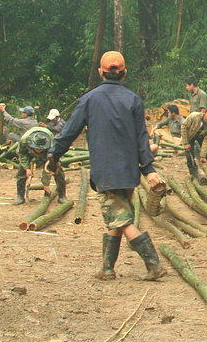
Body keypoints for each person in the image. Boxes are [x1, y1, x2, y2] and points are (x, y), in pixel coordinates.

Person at [48, 51, 166, 281]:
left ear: (100, 72)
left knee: (121, 219)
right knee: (118, 216)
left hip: (106, 171)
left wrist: (54, 154)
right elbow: (142, 139)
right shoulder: (134, 100)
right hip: (129, 170)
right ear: (125, 73)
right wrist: (148, 169)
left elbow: (69, 131)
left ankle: (154, 265)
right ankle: (107, 268)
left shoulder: (90, 99)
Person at [13, 124, 67, 205]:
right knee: (21, 173)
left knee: (58, 171)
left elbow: (47, 167)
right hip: (27, 152)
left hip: (48, 153)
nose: (39, 150)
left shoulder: (51, 144)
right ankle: (20, 196)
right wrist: (26, 168)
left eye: (40, 148)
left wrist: (46, 184)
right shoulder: (24, 141)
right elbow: (22, 154)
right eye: (37, 148)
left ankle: (62, 195)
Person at [182, 104, 207, 183]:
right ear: (205, 112)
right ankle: (194, 176)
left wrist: (202, 156)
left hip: (202, 136)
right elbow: (184, 127)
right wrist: (185, 143)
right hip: (190, 135)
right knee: (190, 156)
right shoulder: (194, 116)